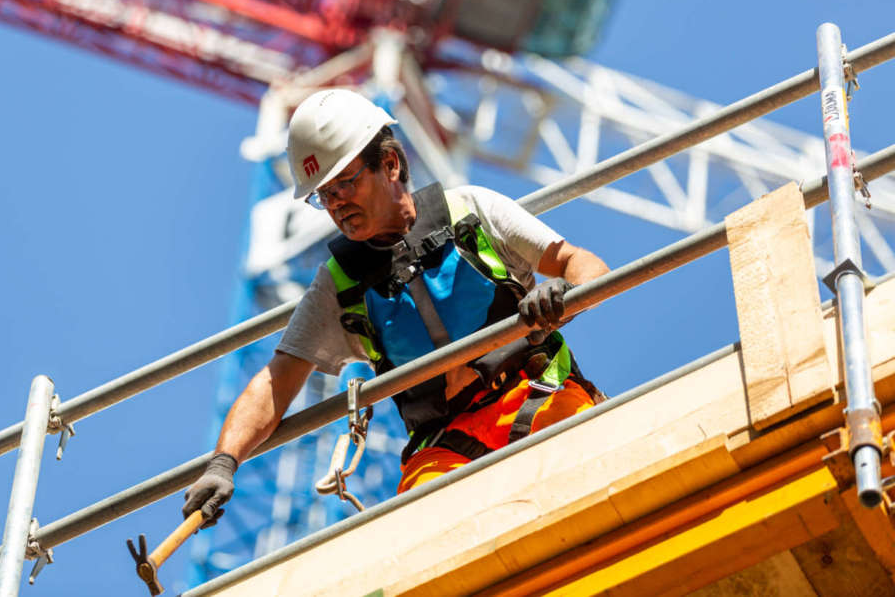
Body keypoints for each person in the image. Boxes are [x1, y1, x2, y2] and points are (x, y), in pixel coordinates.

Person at [182, 89, 610, 525]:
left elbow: (584, 265)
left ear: (390, 164)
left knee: (580, 469)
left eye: (345, 183)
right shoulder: (339, 284)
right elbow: (274, 384)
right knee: (418, 526)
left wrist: (560, 295)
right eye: (323, 196)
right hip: (445, 444)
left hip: (538, 396)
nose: (336, 205)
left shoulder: (470, 210)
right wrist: (224, 463)